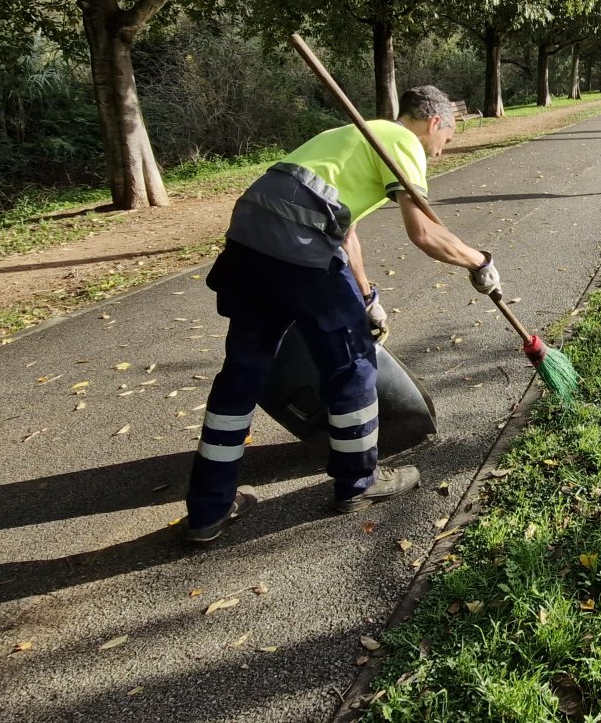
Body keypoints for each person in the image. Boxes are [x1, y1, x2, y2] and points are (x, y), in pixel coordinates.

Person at [184, 85, 499, 543]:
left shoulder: (351, 135)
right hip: (299, 247)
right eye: (446, 141)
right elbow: (425, 233)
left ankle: (207, 510)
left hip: (249, 241)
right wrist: (480, 262)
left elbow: (344, 232)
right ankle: (358, 482)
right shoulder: (402, 142)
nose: (440, 150)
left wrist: (368, 297)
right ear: (435, 123)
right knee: (351, 364)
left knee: (242, 374)